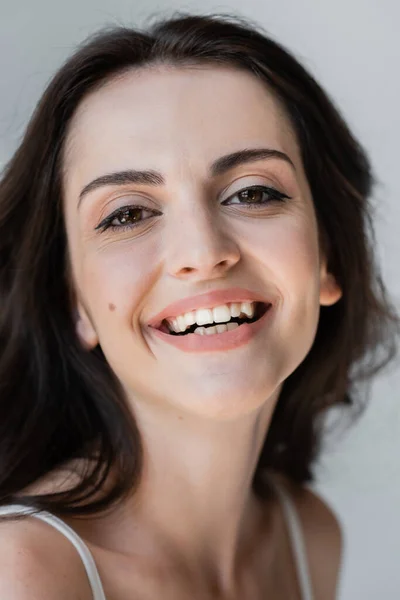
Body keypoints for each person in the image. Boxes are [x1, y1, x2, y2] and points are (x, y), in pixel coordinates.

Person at [0, 11, 398, 600]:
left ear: (328, 257)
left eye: (253, 193)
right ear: (74, 300)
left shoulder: (310, 536)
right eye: (128, 213)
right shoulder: (23, 575)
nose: (202, 252)